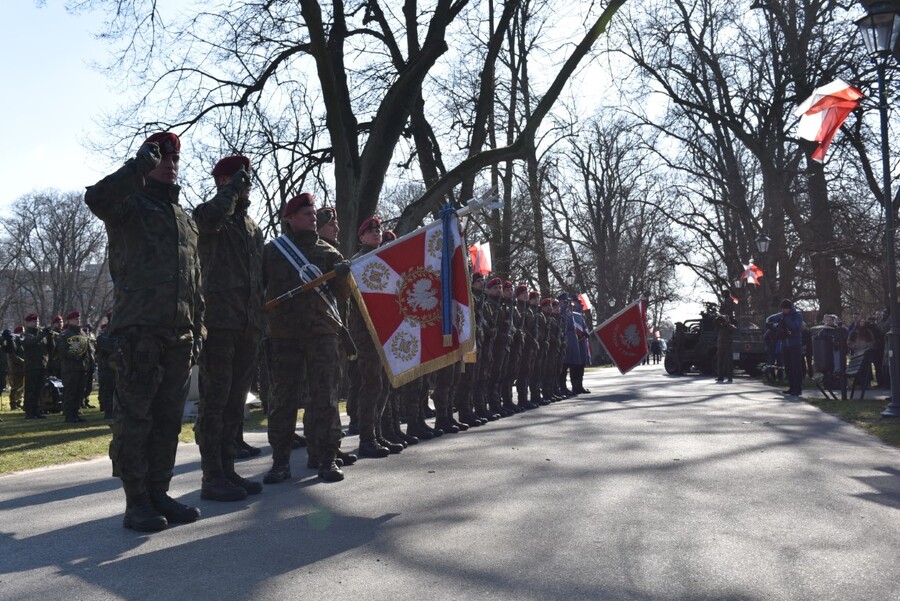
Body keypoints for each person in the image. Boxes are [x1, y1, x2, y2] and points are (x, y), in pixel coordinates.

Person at [85, 131, 221, 532]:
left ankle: (159, 492)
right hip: (138, 333)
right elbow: (96, 198)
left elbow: (193, 282)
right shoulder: (128, 205)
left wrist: (198, 332)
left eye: (174, 158)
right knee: (135, 419)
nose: (170, 163)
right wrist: (137, 167)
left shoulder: (183, 220)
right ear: (147, 160)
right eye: (161, 157)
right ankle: (136, 501)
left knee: (167, 421)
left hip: (179, 334)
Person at [262, 192, 353, 483]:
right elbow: (258, 289)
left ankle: (328, 459)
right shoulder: (272, 251)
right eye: (306, 214)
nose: (313, 218)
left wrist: (342, 277)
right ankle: (280, 462)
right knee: (283, 400)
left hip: (322, 334)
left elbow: (343, 297)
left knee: (325, 398)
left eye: (314, 214)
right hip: (284, 335)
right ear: (290, 219)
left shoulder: (328, 252)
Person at [192, 154, 263, 502]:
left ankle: (228, 469)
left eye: (247, 178)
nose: (246, 183)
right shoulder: (209, 214)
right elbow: (208, 222)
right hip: (218, 323)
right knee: (215, 402)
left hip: (247, 325)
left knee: (235, 403)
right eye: (238, 178)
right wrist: (230, 191)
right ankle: (212, 476)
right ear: (223, 181)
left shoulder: (251, 227)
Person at [346, 215, 395, 457]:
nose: (377, 233)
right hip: (365, 331)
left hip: (386, 330)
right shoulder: (357, 262)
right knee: (372, 383)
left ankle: (377, 433)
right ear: (361, 236)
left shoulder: (385, 259)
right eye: (371, 231)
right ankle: (367, 437)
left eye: (379, 230)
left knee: (384, 384)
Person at [56, 311, 91, 422]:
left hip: (81, 367)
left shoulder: (82, 334)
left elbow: (86, 349)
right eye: (75, 319)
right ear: (69, 321)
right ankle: (69, 414)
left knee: (79, 391)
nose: (78, 321)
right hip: (70, 368)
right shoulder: (65, 334)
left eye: (78, 319)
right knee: (70, 391)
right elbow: (62, 350)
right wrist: (75, 356)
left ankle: (75, 413)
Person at [21, 313, 53, 420]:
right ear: (28, 323)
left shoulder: (40, 334)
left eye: (37, 321)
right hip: (31, 366)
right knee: (31, 390)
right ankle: (29, 412)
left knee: (39, 390)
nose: (36, 323)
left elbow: (50, 349)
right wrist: (43, 334)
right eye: (34, 322)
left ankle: (37, 410)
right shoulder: (26, 335)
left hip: (42, 365)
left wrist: (50, 336)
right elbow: (32, 342)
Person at [771, 299, 804, 398]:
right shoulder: (782, 315)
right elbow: (771, 319)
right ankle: (791, 387)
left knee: (796, 367)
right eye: (782, 309)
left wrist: (786, 319)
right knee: (788, 367)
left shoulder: (797, 315)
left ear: (789, 308)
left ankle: (797, 388)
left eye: (784, 309)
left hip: (795, 344)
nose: (783, 310)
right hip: (785, 344)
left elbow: (795, 326)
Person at [714, 314, 736, 384]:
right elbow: (714, 322)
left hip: (728, 347)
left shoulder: (730, 326)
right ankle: (720, 377)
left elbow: (734, 329)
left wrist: (727, 323)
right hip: (720, 346)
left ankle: (730, 377)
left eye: (725, 318)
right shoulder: (720, 326)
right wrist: (719, 318)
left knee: (728, 363)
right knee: (719, 362)